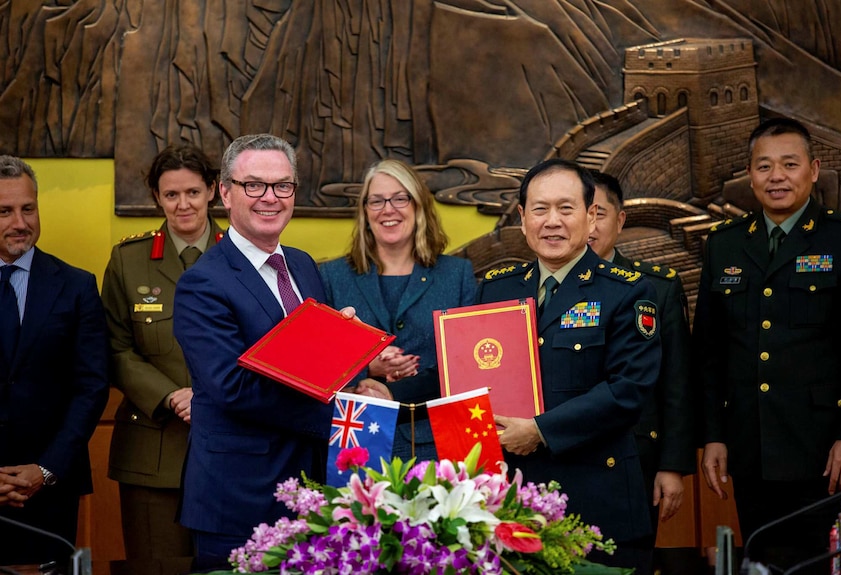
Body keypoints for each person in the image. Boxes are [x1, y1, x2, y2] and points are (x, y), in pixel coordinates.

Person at [174, 134, 358, 559]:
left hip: (312, 491)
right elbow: (233, 388)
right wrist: (336, 415)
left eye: (282, 186)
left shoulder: (302, 265)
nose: (269, 198)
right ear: (225, 192)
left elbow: (317, 361)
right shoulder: (203, 283)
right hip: (239, 499)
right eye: (253, 185)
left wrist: (354, 349)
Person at [476, 158, 661, 574]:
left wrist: (540, 430)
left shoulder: (627, 292)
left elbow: (627, 391)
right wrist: (390, 387)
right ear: (522, 219)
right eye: (540, 209)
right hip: (512, 505)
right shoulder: (496, 289)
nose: (552, 221)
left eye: (566, 208)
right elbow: (461, 370)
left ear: (591, 215)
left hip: (596, 506)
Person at [694, 117, 841, 572]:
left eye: (790, 164)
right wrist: (713, 435)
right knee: (762, 561)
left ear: (813, 168)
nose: (777, 177)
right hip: (751, 446)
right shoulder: (724, 246)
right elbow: (708, 354)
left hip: (826, 450)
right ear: (750, 175)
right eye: (764, 166)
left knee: (826, 562)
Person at [101, 145, 225, 559]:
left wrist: (209, 396)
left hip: (232, 450)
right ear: (157, 196)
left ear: (213, 190)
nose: (183, 204)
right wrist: (171, 395)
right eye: (171, 194)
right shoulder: (128, 260)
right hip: (153, 451)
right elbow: (115, 349)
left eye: (193, 191)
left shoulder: (246, 257)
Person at [320, 159, 475, 462]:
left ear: (419, 206)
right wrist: (368, 368)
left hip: (438, 439)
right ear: (365, 211)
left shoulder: (457, 275)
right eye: (376, 201)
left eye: (400, 198)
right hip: (356, 438)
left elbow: (468, 366)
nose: (387, 209)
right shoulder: (332, 276)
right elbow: (317, 359)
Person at [0, 156, 110, 564]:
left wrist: (45, 469)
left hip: (49, 485)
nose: (20, 222)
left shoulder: (77, 286)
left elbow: (92, 386)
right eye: (5, 211)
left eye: (28, 208)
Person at [587, 172, 697, 537]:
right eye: (578, 212)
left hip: (636, 456)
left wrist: (672, 465)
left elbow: (678, 381)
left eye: (598, 213)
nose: (588, 225)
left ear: (620, 220)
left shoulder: (656, 287)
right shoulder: (532, 288)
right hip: (557, 457)